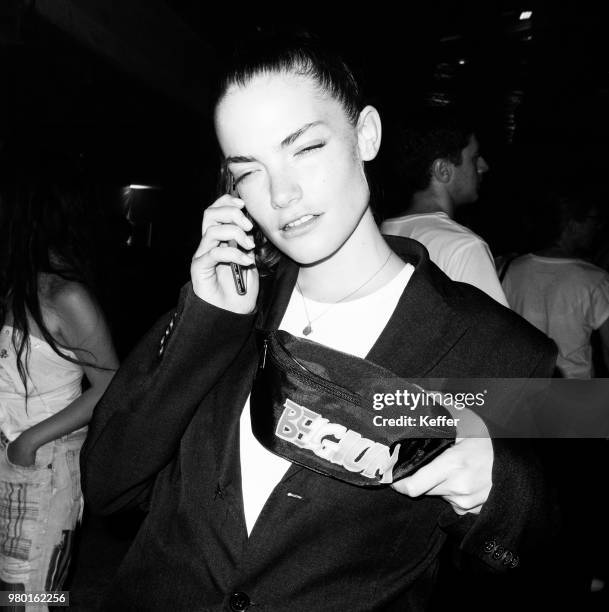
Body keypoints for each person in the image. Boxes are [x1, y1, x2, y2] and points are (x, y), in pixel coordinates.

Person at [82, 32, 556, 611]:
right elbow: (107, 488)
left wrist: (496, 493)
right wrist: (206, 327)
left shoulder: (494, 347)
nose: (282, 195)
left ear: (366, 135)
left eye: (304, 148)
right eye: (249, 171)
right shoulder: (229, 306)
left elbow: (532, 565)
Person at [0, 172, 118, 607]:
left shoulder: (68, 296)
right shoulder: (16, 286)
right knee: (11, 591)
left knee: (33, 596)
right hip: (10, 454)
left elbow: (109, 386)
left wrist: (29, 441)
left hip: (45, 462)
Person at [381, 108, 508, 306]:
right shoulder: (464, 248)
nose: (483, 166)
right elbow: (493, 336)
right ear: (443, 170)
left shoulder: (382, 232)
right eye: (474, 158)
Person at [502, 189, 609, 378]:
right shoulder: (595, 279)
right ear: (573, 225)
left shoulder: (511, 270)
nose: (598, 227)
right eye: (593, 220)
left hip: (524, 394)